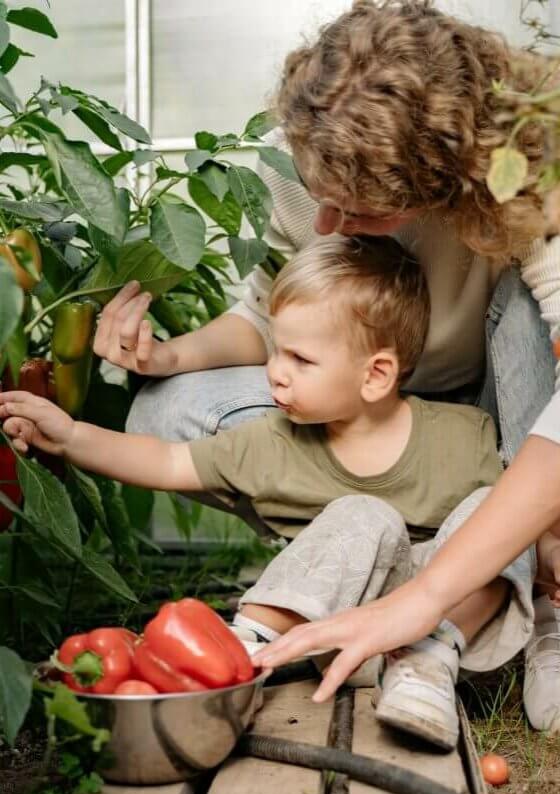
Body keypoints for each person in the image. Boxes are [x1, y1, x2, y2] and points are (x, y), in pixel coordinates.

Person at [93, 2, 560, 728]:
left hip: (496, 418)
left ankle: (533, 583)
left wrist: (426, 600)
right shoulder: (304, 156)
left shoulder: (525, 171)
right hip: (371, 416)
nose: (325, 228)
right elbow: (265, 317)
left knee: (533, 316)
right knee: (167, 406)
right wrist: (168, 353)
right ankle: (369, 556)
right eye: (323, 199)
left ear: (441, 181)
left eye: (361, 212)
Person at [0, 235, 533, 752]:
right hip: (329, 627)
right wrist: (70, 436)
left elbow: (528, 514)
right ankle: (244, 649)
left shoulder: (463, 437)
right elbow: (166, 459)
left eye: (299, 360)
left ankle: (423, 665)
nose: (273, 373)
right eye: (276, 350)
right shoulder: (272, 442)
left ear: (376, 375)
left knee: (501, 508)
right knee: (361, 513)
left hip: (436, 629)